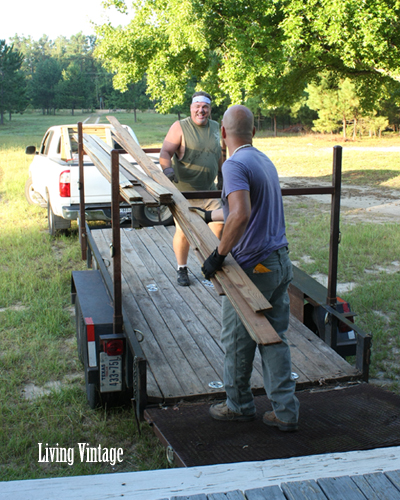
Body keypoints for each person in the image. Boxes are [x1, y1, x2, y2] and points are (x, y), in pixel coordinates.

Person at [200, 104, 300, 431]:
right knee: (274, 339)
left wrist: (218, 254)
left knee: (235, 340)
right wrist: (208, 216)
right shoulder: (262, 160)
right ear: (253, 132)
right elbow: (241, 209)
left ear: (223, 134)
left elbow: (240, 214)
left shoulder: (233, 164)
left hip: (254, 269)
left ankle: (239, 405)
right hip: (278, 262)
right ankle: (286, 412)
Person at [160, 91, 224, 286]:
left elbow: (221, 154)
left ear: (210, 109)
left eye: (205, 107)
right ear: (191, 108)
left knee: (219, 225)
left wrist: (223, 177)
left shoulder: (215, 127)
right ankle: (182, 268)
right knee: (183, 232)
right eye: (197, 106)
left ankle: (210, 264)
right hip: (185, 193)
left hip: (210, 191)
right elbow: (165, 152)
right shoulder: (180, 127)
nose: (201, 110)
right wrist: (168, 169)